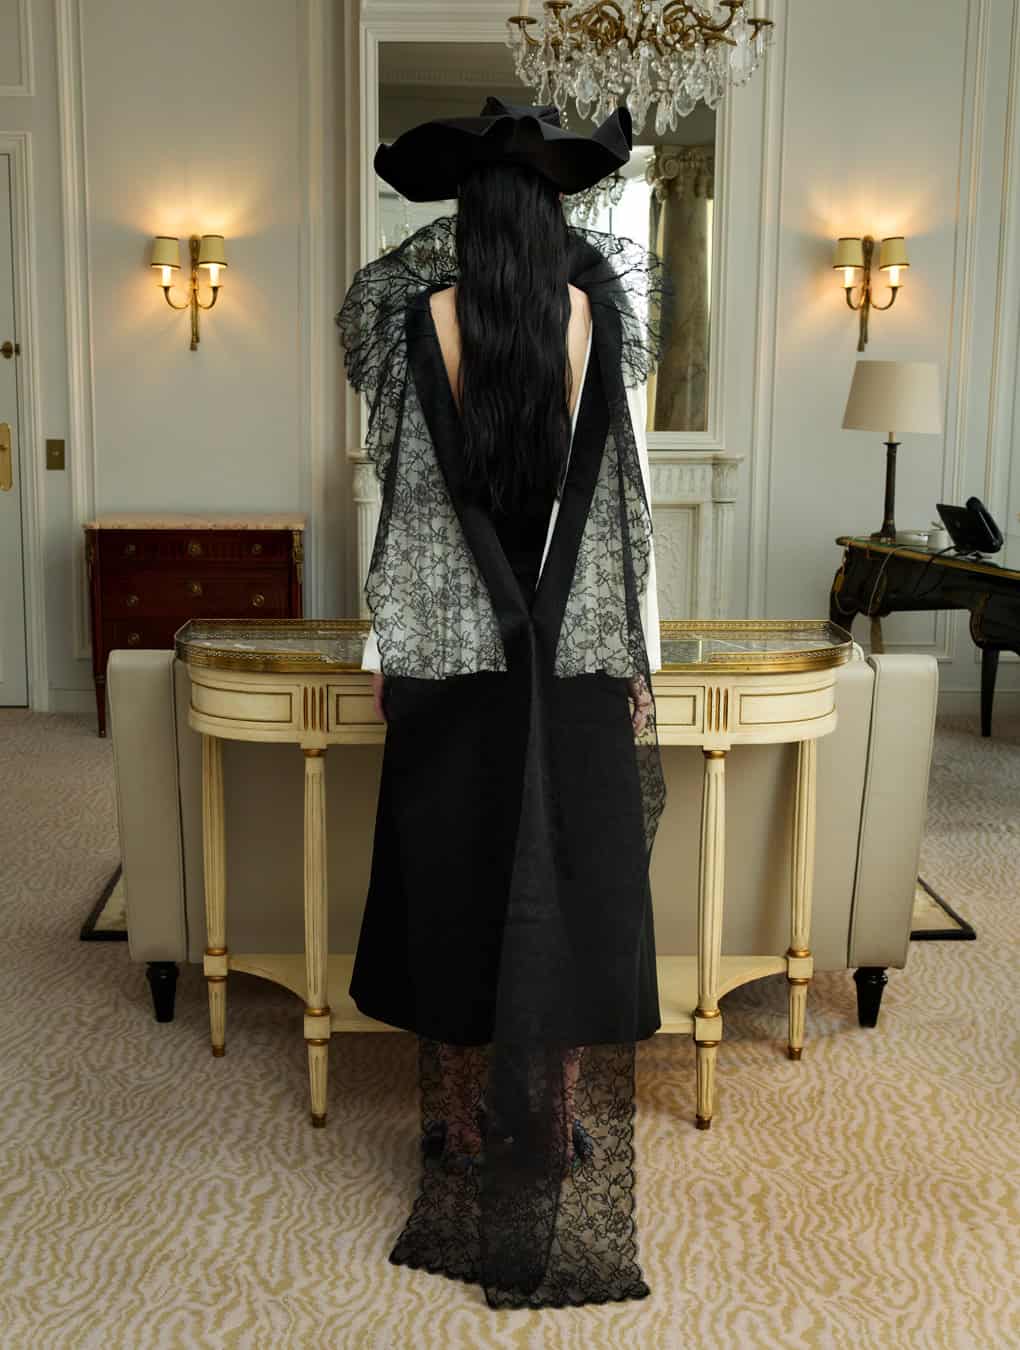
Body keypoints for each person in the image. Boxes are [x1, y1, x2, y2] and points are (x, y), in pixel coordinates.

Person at [335, 96, 672, 1310]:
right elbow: (624, 505)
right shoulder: (595, 312)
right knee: (573, 883)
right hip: (575, 653)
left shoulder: (421, 315)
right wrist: (638, 658)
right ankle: (555, 1122)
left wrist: (391, 645)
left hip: (458, 653)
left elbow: (414, 510)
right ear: (550, 211)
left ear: (467, 213)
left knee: (459, 878)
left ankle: (475, 1124)